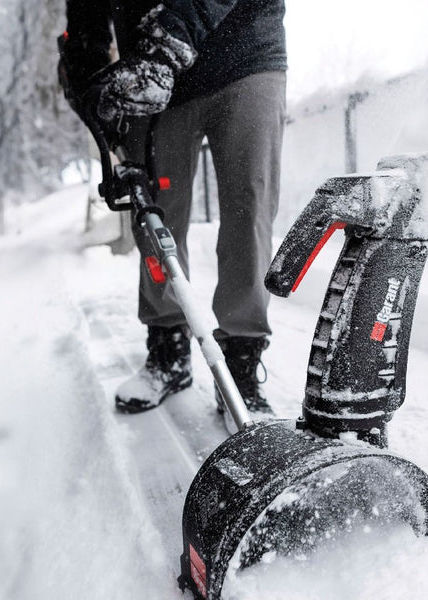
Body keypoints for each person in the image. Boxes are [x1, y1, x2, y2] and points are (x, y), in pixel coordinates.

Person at [59, 0, 287, 419]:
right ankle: (169, 351)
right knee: (154, 216)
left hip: (245, 53)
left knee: (247, 210)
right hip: (150, 80)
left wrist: (168, 45)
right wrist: (91, 85)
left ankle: (239, 361)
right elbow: (87, 20)